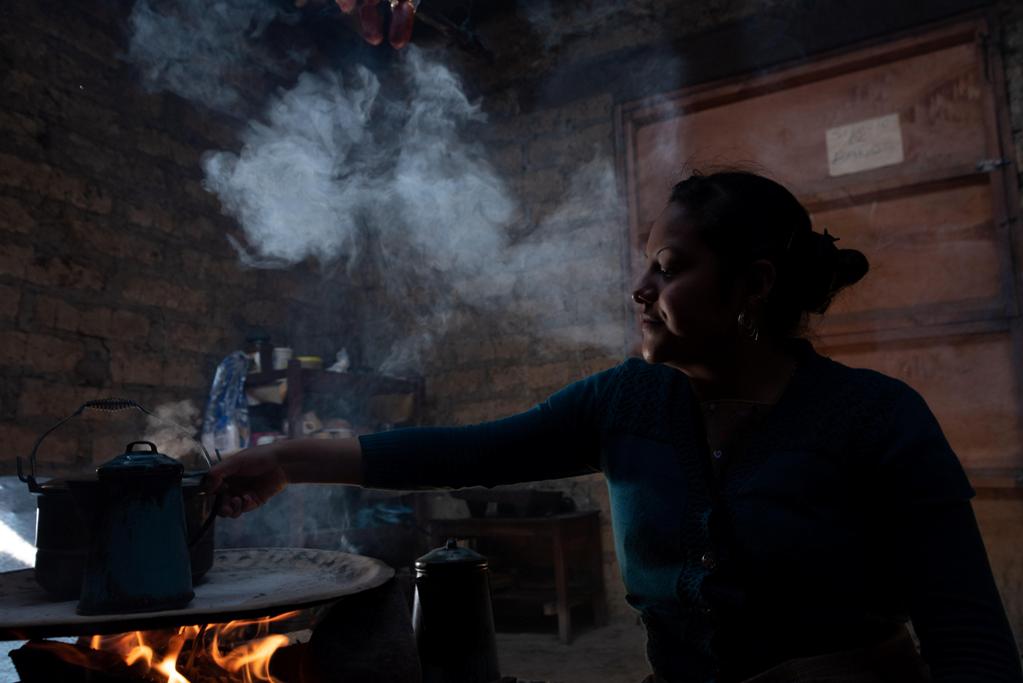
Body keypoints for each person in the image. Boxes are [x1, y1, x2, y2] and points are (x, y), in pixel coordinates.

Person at [208, 171, 1023, 682]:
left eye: (667, 270)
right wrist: (286, 458)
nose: (638, 288)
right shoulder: (626, 401)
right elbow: (473, 449)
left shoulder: (874, 418)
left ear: (754, 284)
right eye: (644, 265)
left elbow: (966, 630)